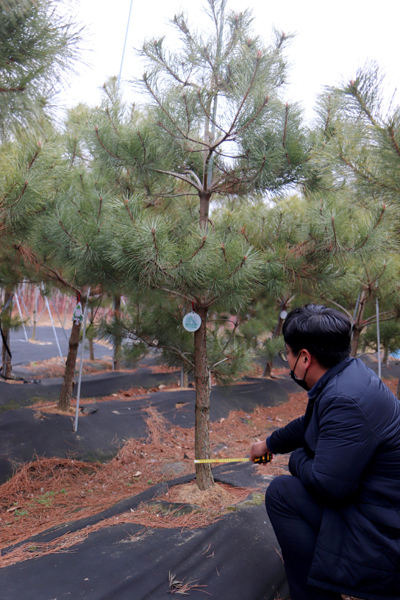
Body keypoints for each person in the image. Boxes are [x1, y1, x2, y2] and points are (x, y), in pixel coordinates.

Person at [250, 304, 400, 600]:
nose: (287, 360)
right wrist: (268, 445)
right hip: (382, 504)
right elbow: (309, 423)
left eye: (288, 354)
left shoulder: (345, 399)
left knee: (282, 493)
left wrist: (295, 458)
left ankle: (314, 594)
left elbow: (329, 487)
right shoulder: (347, 375)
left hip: (384, 534)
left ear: (305, 358)